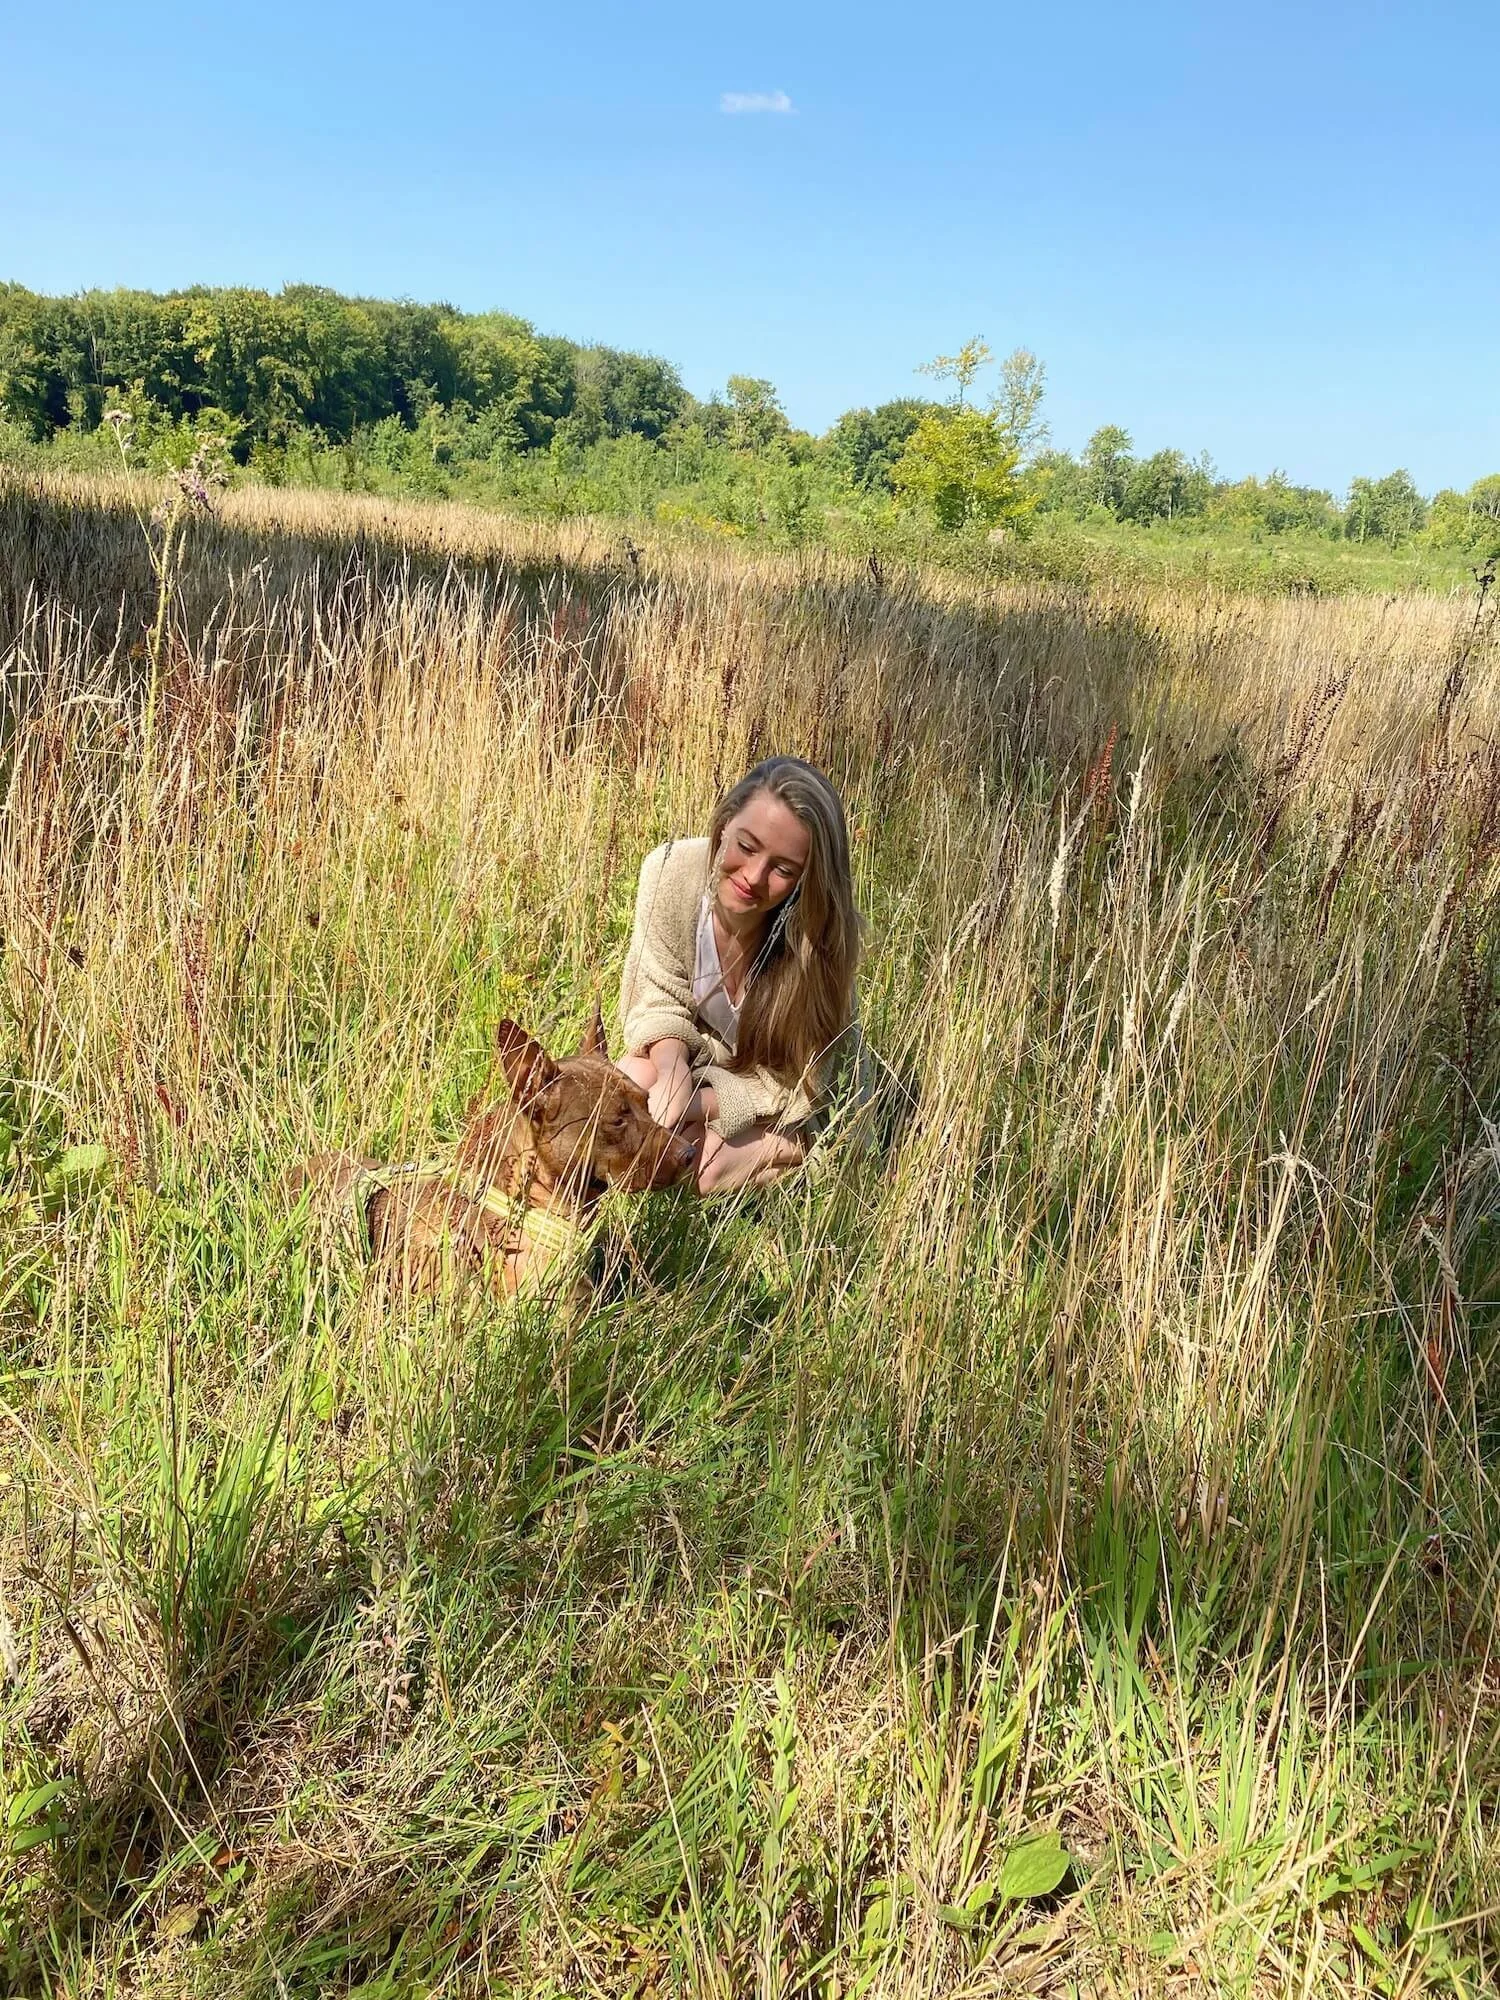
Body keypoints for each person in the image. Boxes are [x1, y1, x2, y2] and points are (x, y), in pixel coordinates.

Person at [617, 756, 863, 1196]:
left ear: (807, 879)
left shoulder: (820, 944)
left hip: (795, 1105)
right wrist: (673, 1070)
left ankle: (806, 1154)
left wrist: (697, 1105)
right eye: (747, 846)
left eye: (783, 869)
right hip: (711, 1064)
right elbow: (656, 994)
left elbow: (796, 1086)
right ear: (725, 822)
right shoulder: (670, 872)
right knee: (630, 1078)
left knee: (705, 1166)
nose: (753, 876)